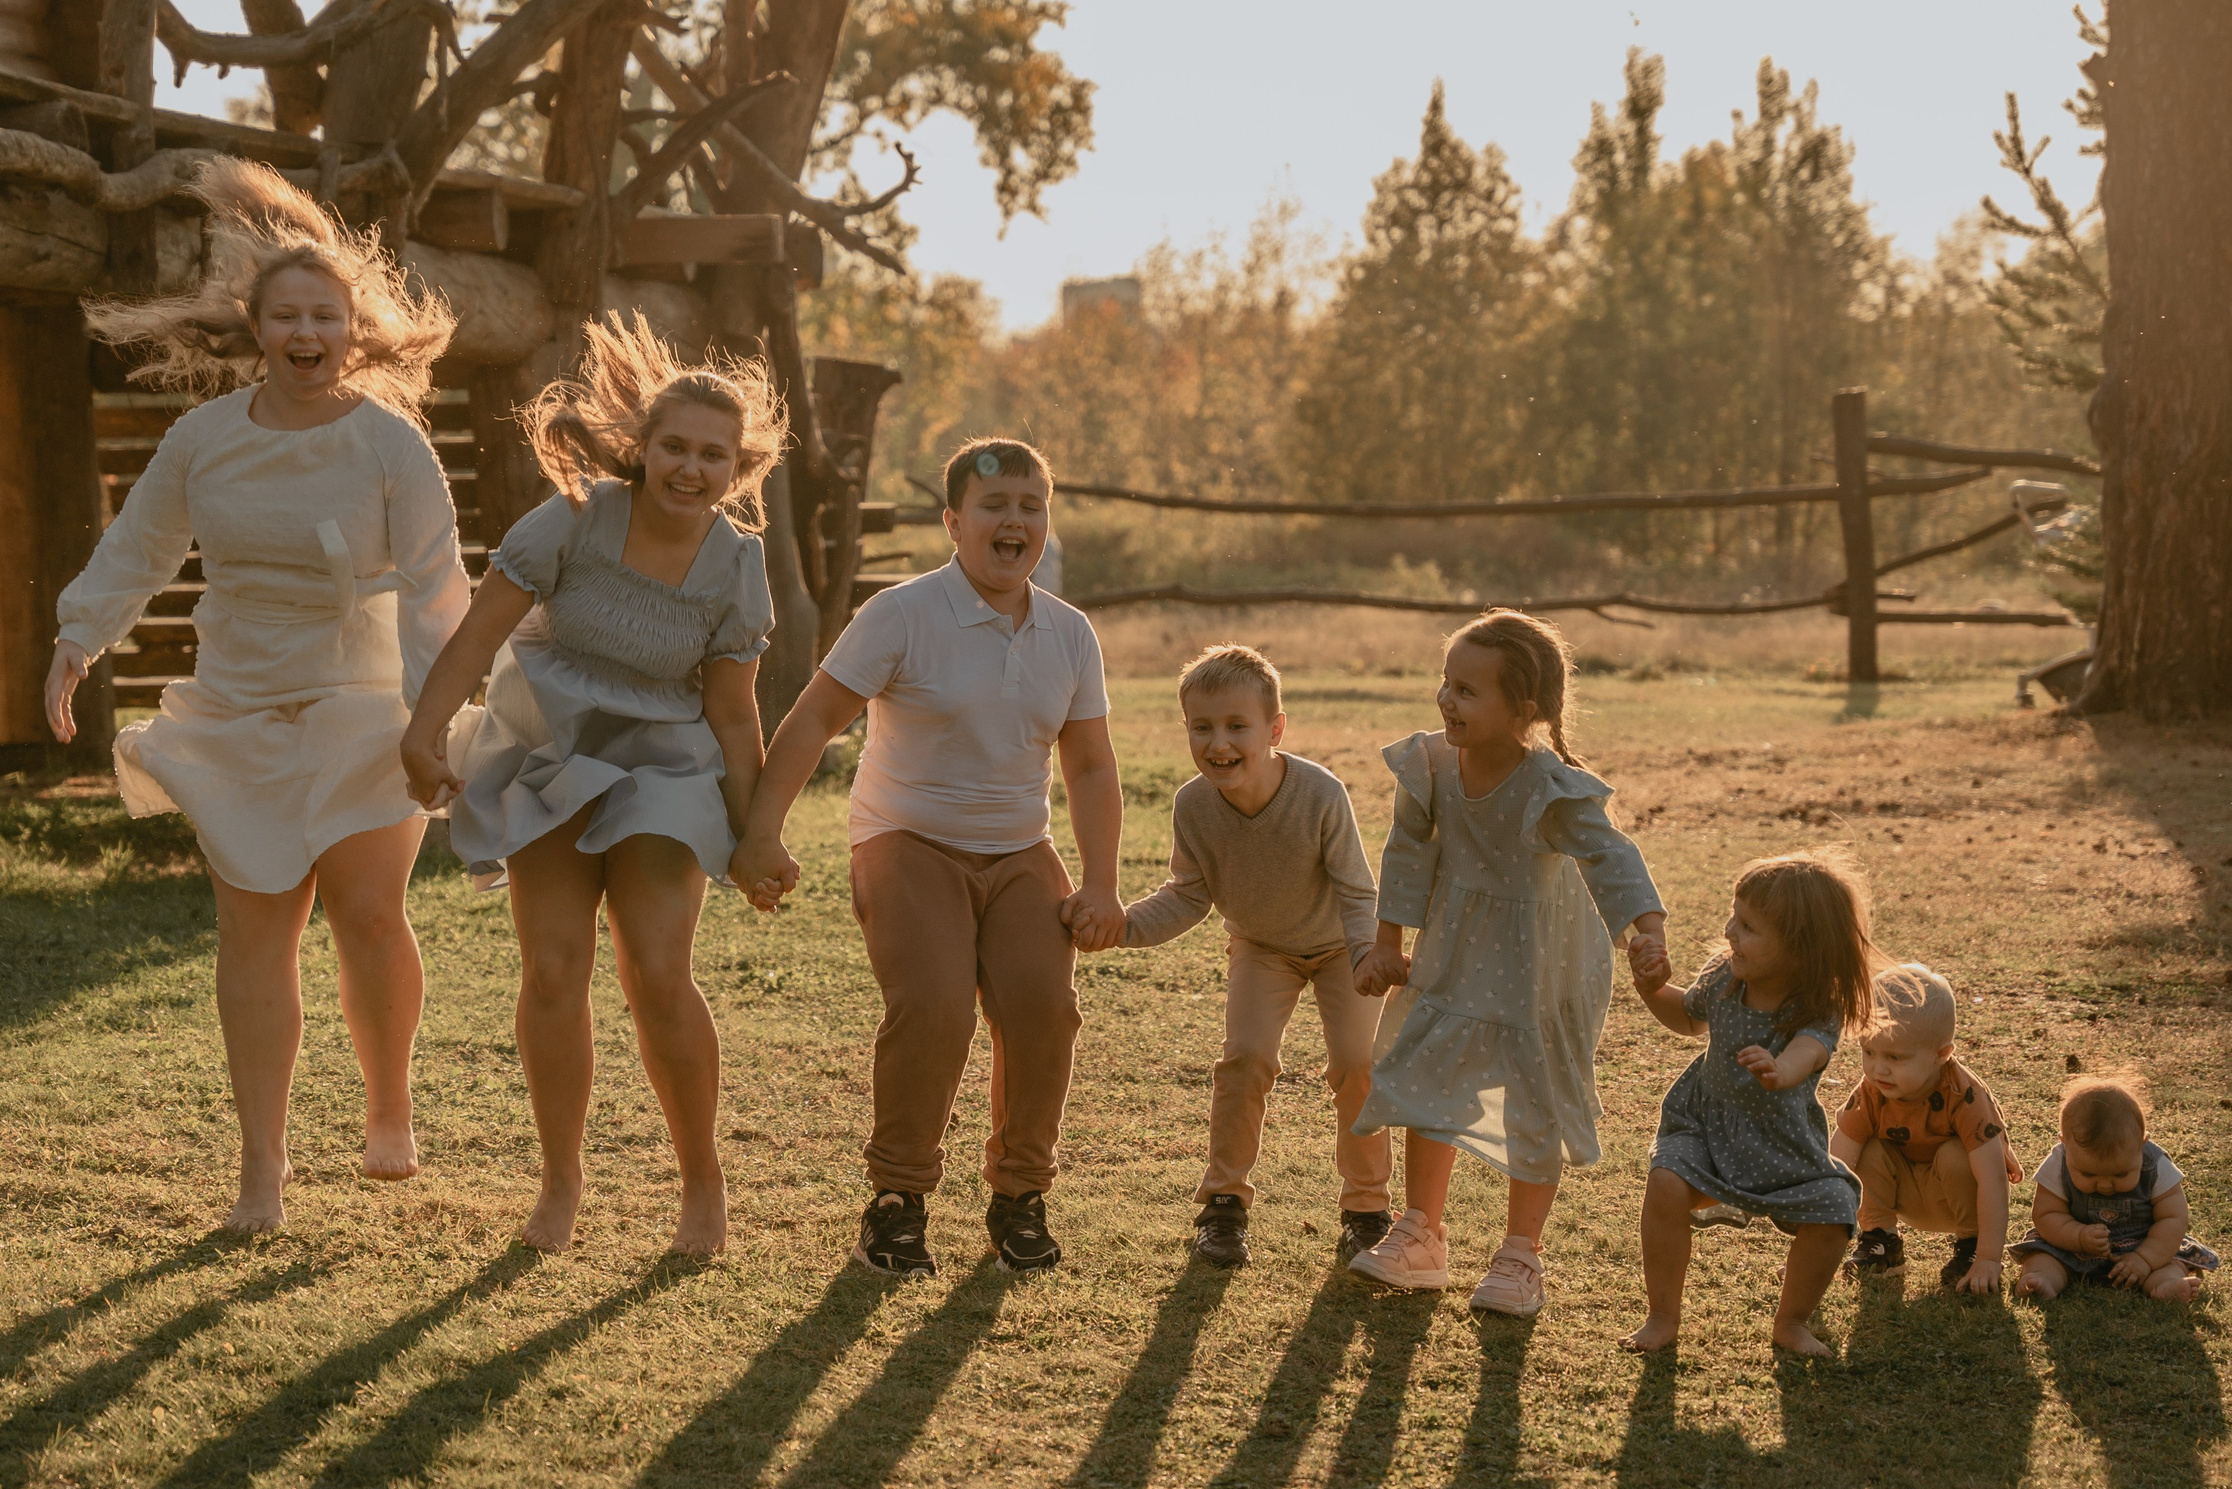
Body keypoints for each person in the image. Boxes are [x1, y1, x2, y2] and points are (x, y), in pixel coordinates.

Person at [44, 159, 468, 1233]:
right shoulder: (205, 440)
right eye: (287, 314)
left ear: (353, 328)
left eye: (325, 314)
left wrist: (434, 722)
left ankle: (388, 1106)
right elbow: (140, 546)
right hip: (239, 701)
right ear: (258, 325)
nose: (306, 331)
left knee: (370, 915)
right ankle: (262, 1171)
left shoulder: (388, 441)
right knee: (255, 931)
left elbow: (433, 588)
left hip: (366, 696)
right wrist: (76, 640)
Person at [399, 314, 784, 1256]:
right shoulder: (573, 515)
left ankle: (702, 1181)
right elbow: (479, 637)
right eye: (676, 447)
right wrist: (422, 732)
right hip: (549, 747)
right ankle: (561, 1181)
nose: (692, 469)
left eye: (714, 456)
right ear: (641, 448)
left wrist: (757, 832)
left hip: (665, 762)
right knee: (554, 966)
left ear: (738, 470)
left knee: (657, 972)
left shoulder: (737, 565)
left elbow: (734, 716)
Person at [736, 437, 1123, 1279]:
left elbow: (1089, 765)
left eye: (1030, 505)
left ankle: (1019, 1196)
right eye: (994, 506)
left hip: (1020, 846)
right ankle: (898, 1198)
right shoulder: (901, 614)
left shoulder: (1068, 632)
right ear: (954, 522)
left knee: (1043, 1008)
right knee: (938, 1006)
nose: (1013, 520)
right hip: (905, 839)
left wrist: (1099, 880)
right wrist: (763, 832)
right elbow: (811, 722)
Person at [1345, 610, 1666, 1318]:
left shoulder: (1548, 783)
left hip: (1538, 961)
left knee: (1532, 1095)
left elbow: (1610, 856)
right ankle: (1421, 1233)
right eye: (1446, 682)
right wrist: (1389, 942)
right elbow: (1406, 851)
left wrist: (1646, 926)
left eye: (1467, 690)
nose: (1447, 700)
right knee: (1432, 1074)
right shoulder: (1429, 762)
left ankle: (1522, 1253)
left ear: (1523, 710)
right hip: (1455, 946)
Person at [1116, 644, 1409, 1267]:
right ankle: (1224, 1205)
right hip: (1261, 946)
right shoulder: (1192, 805)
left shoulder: (1320, 794)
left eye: (1236, 726)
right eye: (1202, 728)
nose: (1218, 743)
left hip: (1339, 949)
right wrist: (1120, 926)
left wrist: (1366, 955)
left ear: (1274, 730)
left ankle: (1366, 1208)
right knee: (1246, 1058)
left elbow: (1358, 889)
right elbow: (1188, 896)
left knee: (1358, 1065)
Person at [1623, 849, 1878, 1357]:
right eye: (1734, 917)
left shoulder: (1816, 1004)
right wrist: (1653, 989)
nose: (1729, 931)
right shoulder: (1725, 975)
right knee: (1666, 1182)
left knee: (1834, 1209)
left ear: (1801, 950)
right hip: (1703, 1125)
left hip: (1781, 1142)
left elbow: (1809, 1051)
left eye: (1747, 926)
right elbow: (1686, 1018)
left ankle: (1792, 1322)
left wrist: (1781, 1070)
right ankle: (1661, 1316)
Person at [1829, 963, 2021, 1292]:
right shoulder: (1871, 1091)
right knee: (1864, 1148)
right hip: (1901, 1192)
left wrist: (1990, 1258)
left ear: (1941, 1055)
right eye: (1869, 1051)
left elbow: (1993, 1180)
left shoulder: (1965, 1096)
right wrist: (1813, 1250)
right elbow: (1836, 1169)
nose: (1878, 1068)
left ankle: (1970, 1248)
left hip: (1957, 1199)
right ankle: (1880, 1242)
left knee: (1956, 1153)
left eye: (1895, 1057)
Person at [2010, 1075, 2219, 1301]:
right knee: (2043, 1255)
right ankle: (2041, 1279)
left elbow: (2173, 1218)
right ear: (2065, 1144)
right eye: (2088, 1174)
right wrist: (2077, 1236)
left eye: (2120, 1174)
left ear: (2142, 1143)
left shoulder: (2156, 1165)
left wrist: (2145, 1259)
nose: (2105, 1184)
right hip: (2070, 1246)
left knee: (2171, 1260)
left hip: (2144, 1243)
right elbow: (2046, 1213)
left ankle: (2166, 1284)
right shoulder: (2057, 1163)